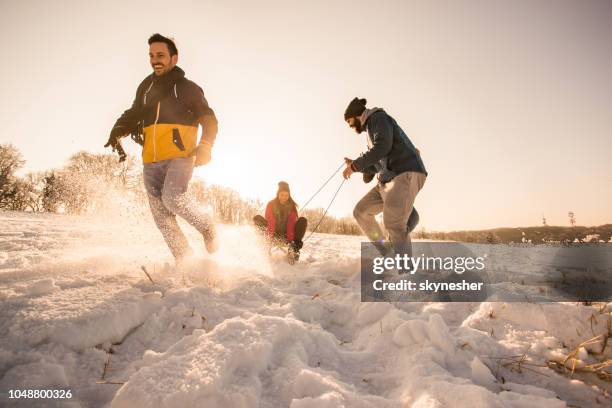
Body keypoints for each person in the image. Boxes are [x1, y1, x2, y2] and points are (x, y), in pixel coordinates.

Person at [104, 33, 219, 262]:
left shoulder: (186, 88)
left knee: (173, 198)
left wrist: (205, 145)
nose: (155, 60)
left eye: (160, 55)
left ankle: (207, 226)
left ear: (174, 58)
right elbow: (134, 112)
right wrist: (117, 129)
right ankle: (184, 259)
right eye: (151, 55)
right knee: (161, 215)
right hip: (151, 159)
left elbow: (209, 118)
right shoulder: (146, 87)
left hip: (181, 155)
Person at [342, 97, 427, 270]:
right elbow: (377, 163)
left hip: (404, 172)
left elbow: (383, 147)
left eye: (350, 122)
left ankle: (406, 272)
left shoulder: (377, 118)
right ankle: (387, 252)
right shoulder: (369, 131)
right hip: (387, 179)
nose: (351, 127)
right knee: (361, 211)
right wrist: (356, 166)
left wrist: (355, 165)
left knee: (394, 224)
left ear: (357, 116)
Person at [253, 182, 308, 264]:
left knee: (303, 220)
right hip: (273, 234)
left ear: (289, 195)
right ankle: (264, 246)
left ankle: (294, 250)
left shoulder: (292, 206)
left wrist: (290, 242)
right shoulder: (271, 204)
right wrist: (269, 239)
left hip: (287, 236)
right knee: (257, 218)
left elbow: (291, 224)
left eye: (286, 195)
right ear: (278, 194)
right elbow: (270, 221)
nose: (284, 197)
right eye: (282, 195)